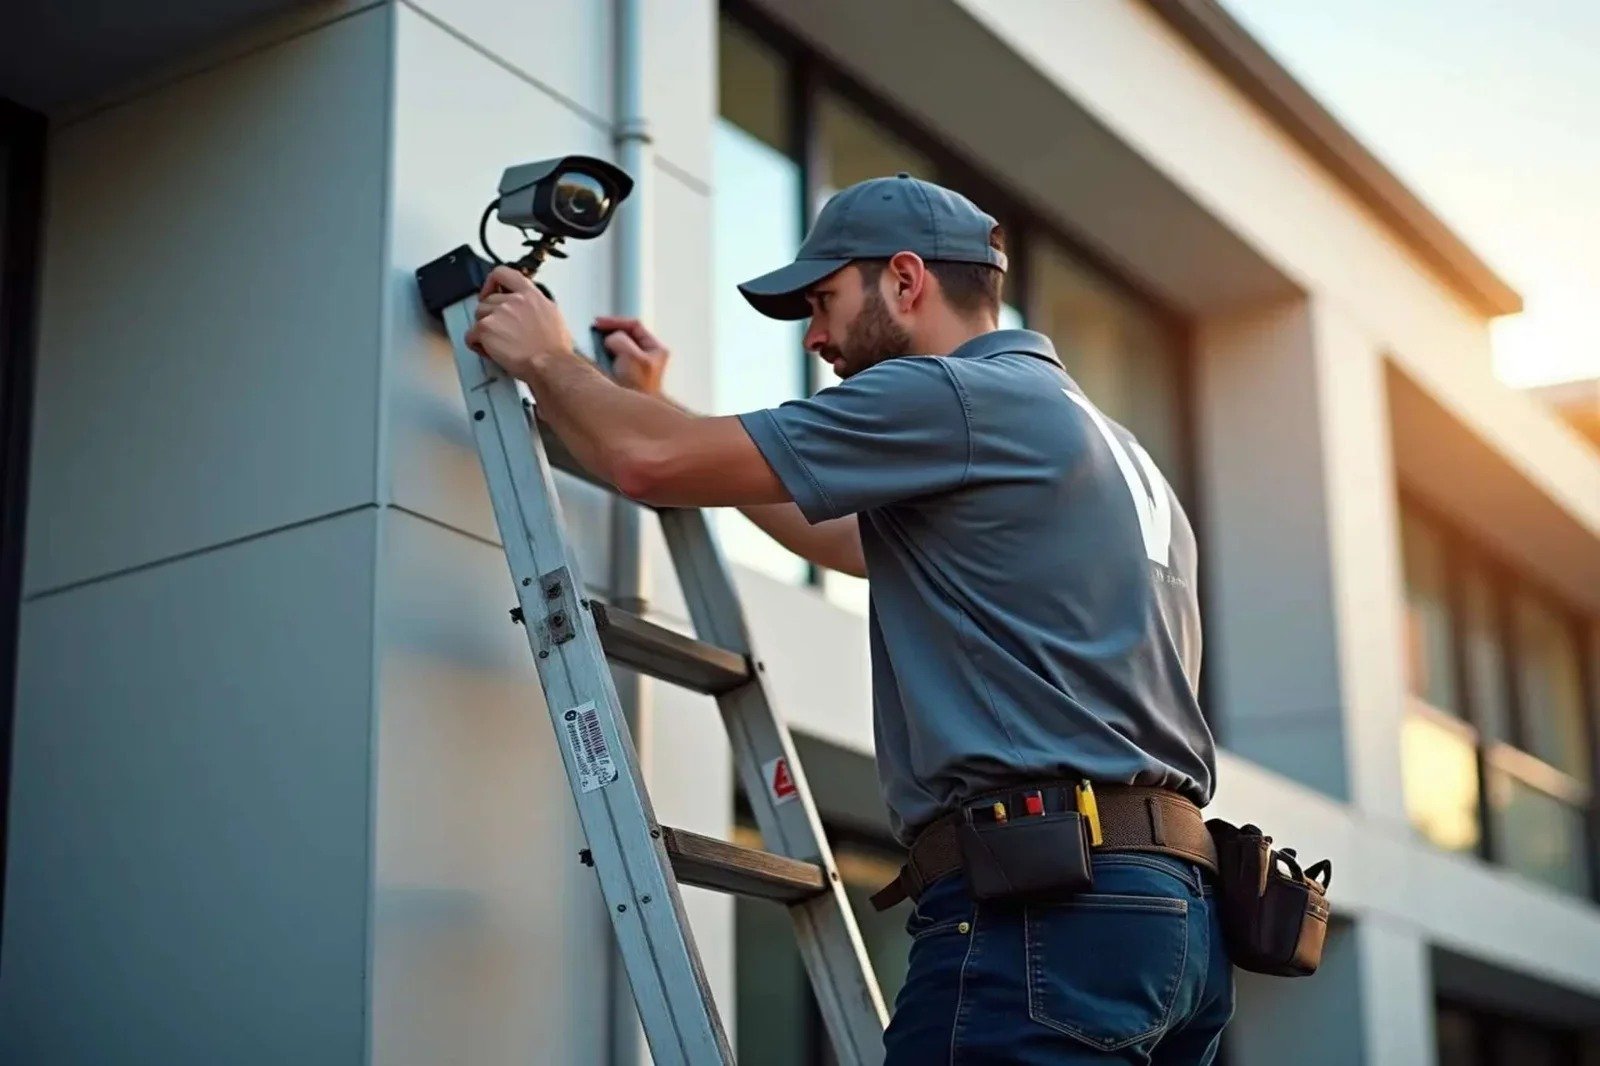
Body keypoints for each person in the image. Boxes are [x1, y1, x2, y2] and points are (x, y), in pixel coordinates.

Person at [466, 173, 1232, 1064]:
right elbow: (839, 538)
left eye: (824, 299)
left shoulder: (955, 397)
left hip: (1044, 908)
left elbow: (643, 462)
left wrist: (545, 357)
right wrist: (668, 413)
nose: (815, 335)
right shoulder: (1100, 442)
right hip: (1169, 914)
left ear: (905, 281)